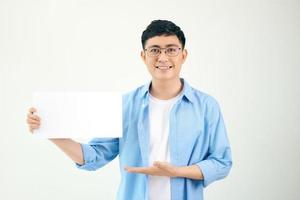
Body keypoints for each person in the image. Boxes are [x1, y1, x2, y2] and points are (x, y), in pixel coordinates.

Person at [26, 20, 232, 200]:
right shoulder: (123, 105)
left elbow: (222, 163)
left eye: (171, 49)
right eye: (155, 50)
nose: (163, 57)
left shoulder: (206, 106)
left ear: (183, 55)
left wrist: (177, 171)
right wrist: (50, 130)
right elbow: (94, 157)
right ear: (143, 56)